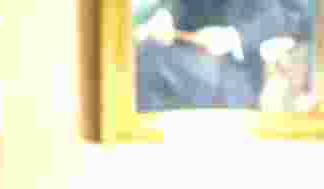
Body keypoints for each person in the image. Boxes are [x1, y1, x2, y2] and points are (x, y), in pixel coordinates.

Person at [134, 0, 312, 111]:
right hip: (189, 55)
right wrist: (167, 15)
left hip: (240, 71)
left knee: (149, 60)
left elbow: (298, 14)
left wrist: (234, 37)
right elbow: (185, 6)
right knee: (144, 55)